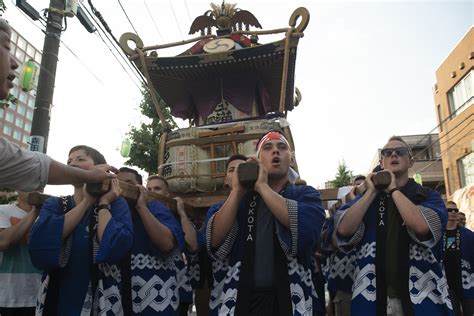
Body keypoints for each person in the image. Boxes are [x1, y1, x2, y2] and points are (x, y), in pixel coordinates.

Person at [204, 131, 326, 315]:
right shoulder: (239, 201)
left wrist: (262, 186)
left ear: (291, 159)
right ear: (259, 159)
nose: (275, 151)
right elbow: (214, 241)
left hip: (290, 296)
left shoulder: (306, 194)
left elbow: (308, 232)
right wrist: (237, 190)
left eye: (282, 147)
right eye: (268, 148)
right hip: (242, 298)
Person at [335, 136, 452, 316]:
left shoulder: (427, 195)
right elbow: (343, 229)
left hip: (421, 297)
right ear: (382, 162)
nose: (393, 155)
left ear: (411, 161)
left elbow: (422, 227)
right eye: (387, 153)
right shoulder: (367, 199)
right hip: (372, 298)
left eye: (400, 152)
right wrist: (371, 191)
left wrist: (393, 190)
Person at [0, 20, 117, 192]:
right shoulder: (54, 206)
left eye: (81, 160)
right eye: (6, 47)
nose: (15, 63)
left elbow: (32, 165)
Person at [28, 145, 133, 315]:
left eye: (81, 159)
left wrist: (104, 203)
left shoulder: (116, 204)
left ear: (102, 169)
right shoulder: (55, 204)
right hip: (59, 293)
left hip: (102, 295)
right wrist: (87, 202)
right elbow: (40, 240)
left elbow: (116, 245)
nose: (72, 163)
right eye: (69, 161)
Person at [117, 168, 185, 315]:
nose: (123, 186)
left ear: (140, 188)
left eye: (129, 183)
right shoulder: (110, 211)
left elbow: (166, 244)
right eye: (118, 182)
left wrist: (141, 207)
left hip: (156, 303)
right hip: (121, 298)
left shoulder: (155, 208)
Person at [146, 174, 197, 316]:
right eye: (149, 188)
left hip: (178, 288)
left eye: (157, 188)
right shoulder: (142, 215)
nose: (152, 192)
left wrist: (181, 213)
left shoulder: (176, 216)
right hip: (150, 289)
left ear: (167, 193)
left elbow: (192, 245)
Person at [204, 154, 248, 316]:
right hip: (225, 298)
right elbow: (216, 241)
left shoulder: (266, 207)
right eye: (231, 170)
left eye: (242, 170)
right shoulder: (216, 210)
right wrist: (237, 190)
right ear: (226, 180)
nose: (237, 173)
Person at [0, 192, 42, 316]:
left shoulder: (49, 215)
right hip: (8, 297)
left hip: (40, 294)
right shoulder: (3, 210)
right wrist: (35, 212)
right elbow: (3, 242)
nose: (34, 187)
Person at [443, 201, 474, 316]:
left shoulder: (468, 235)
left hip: (466, 282)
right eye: (449, 210)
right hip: (445, 284)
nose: (453, 212)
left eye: (455, 210)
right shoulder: (438, 235)